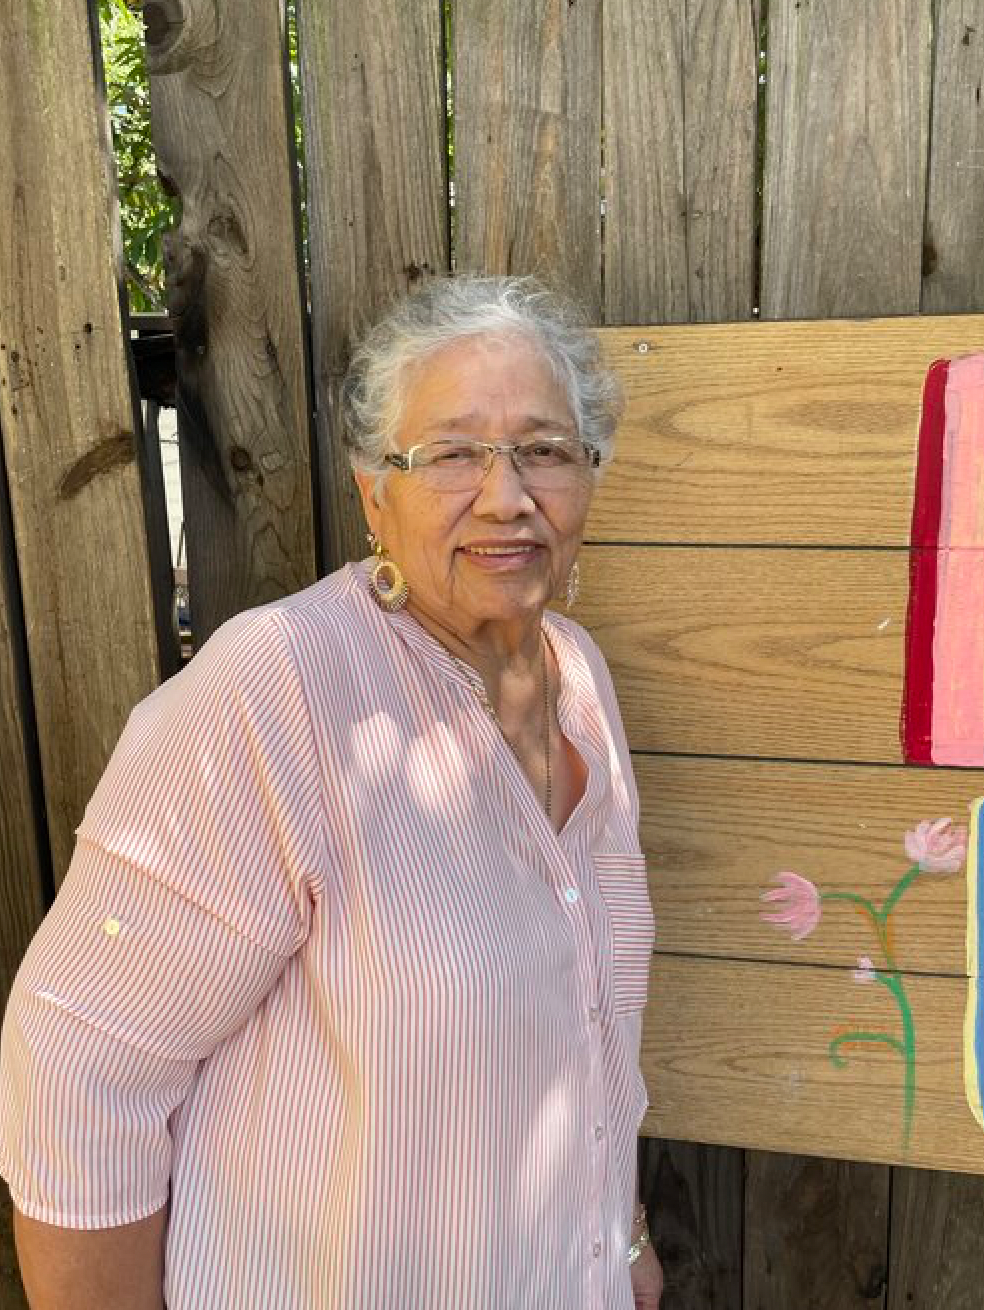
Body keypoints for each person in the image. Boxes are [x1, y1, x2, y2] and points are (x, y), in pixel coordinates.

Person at [0, 275, 662, 1309]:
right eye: (451, 452)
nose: (506, 494)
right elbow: (76, 1064)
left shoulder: (577, 681)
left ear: (590, 475)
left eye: (544, 448)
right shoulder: (282, 687)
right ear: (373, 492)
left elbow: (591, 1026)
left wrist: (621, 1240)